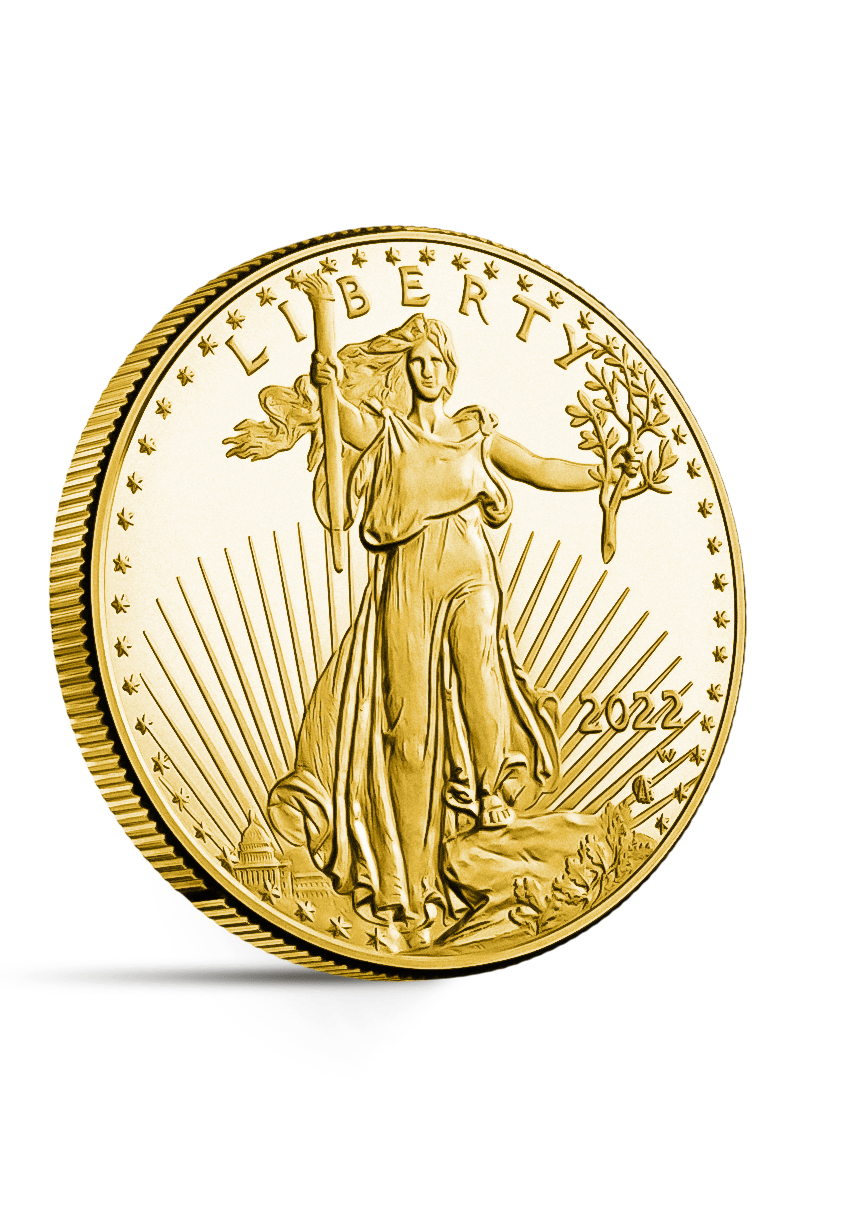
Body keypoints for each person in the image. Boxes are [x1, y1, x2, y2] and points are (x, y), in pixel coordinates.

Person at [267, 315, 632, 933]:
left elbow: (538, 467)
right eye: (416, 362)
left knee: (482, 682)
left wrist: (601, 474)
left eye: (436, 360)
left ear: (450, 369)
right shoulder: (386, 431)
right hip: (408, 575)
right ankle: (410, 879)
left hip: (470, 570)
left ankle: (492, 797)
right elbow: (345, 421)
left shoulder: (475, 433)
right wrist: (328, 383)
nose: (427, 370)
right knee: (407, 724)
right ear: (405, 371)